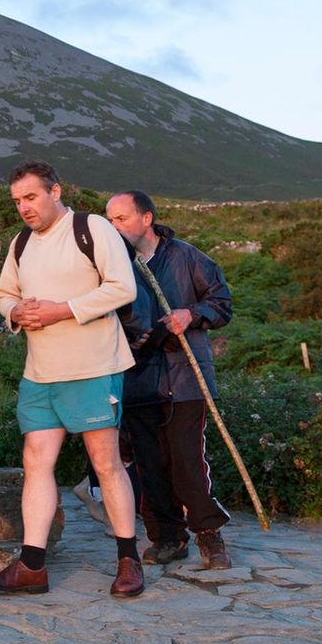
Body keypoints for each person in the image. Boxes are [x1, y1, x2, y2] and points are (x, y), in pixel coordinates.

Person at [0, 160, 144, 599]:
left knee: (106, 462)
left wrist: (62, 310)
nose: (24, 208)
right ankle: (31, 566)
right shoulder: (20, 244)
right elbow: (4, 293)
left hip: (92, 367)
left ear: (55, 191)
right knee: (36, 460)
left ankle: (129, 560)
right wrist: (14, 312)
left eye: (31, 197)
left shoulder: (91, 229)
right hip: (40, 372)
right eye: (17, 201)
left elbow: (122, 288)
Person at [106, 190, 235, 569]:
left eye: (121, 219)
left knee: (188, 462)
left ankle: (210, 537)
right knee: (149, 465)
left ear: (146, 218)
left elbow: (222, 304)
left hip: (186, 378)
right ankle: (167, 539)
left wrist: (190, 314)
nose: (113, 227)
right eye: (109, 220)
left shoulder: (187, 257)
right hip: (136, 379)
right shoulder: (114, 265)